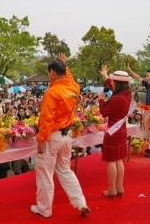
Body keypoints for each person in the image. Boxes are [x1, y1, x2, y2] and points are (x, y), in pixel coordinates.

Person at [31, 53, 90, 217]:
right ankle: (80, 203)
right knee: (65, 171)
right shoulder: (74, 87)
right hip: (66, 136)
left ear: (53, 73)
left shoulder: (52, 92)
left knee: (45, 174)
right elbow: (67, 77)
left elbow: (46, 119)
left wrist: (41, 140)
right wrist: (63, 64)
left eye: (49, 72)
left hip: (52, 137)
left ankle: (44, 209)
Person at [98, 66, 133, 198]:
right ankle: (119, 187)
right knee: (119, 160)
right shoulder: (126, 94)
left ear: (117, 83)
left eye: (113, 81)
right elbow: (114, 89)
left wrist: (101, 99)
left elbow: (105, 113)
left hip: (113, 132)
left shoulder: (117, 98)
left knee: (111, 161)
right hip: (121, 130)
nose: (111, 83)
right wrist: (106, 76)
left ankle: (112, 189)